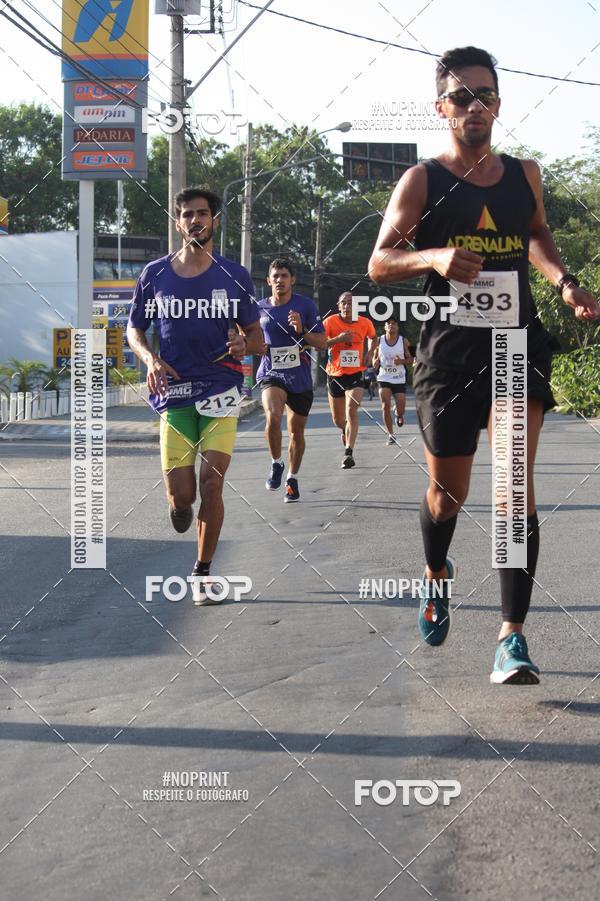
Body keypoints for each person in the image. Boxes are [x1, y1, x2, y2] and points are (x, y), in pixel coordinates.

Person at [369, 46, 599, 683]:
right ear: (441, 108)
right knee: (449, 495)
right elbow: (379, 262)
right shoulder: (422, 180)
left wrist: (564, 282)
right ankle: (436, 573)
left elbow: (537, 235)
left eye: (486, 96)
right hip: (448, 354)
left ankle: (511, 637)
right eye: (462, 97)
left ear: (499, 104)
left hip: (515, 345)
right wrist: (434, 257)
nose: (475, 106)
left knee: (513, 487)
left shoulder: (525, 176)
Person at [127, 187, 263, 606]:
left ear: (214, 221)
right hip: (174, 395)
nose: (195, 220)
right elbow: (134, 329)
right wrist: (150, 359)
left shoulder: (234, 275)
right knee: (183, 495)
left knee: (212, 483)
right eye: (187, 214)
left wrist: (244, 345)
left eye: (202, 213)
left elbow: (257, 336)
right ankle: (180, 506)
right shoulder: (155, 274)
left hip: (222, 390)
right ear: (178, 222)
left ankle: (202, 574)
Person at [257, 258, 326, 502]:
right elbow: (250, 340)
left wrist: (302, 330)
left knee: (296, 432)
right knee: (273, 416)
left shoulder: (305, 306)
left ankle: (292, 479)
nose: (280, 280)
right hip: (272, 372)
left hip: (299, 376)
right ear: (268, 281)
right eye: (275, 276)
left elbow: (322, 343)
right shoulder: (259, 308)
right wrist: (256, 346)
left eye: (284, 276)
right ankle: (276, 463)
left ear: (292, 280)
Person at [323, 292, 377, 468]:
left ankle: (349, 452)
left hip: (355, 374)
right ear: (339, 306)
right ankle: (344, 428)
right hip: (335, 374)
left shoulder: (365, 323)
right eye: (344, 303)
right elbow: (319, 343)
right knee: (338, 420)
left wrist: (370, 353)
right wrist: (338, 339)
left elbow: (373, 337)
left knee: (351, 408)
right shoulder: (330, 322)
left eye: (351, 303)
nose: (347, 306)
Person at [373, 316, 414, 444]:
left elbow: (413, 359)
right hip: (384, 376)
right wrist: (375, 362)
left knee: (401, 409)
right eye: (388, 323)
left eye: (394, 323)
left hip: (399, 378)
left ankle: (398, 414)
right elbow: (375, 357)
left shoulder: (404, 341)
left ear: (397, 327)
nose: (391, 325)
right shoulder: (379, 340)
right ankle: (391, 435)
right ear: (385, 327)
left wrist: (401, 361)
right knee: (385, 406)